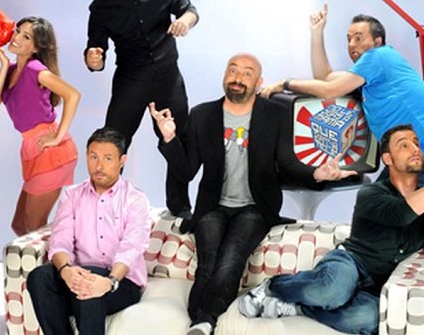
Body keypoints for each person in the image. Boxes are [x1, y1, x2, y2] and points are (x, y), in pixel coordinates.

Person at [149, 53, 356, 335]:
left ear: (259, 83)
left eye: (247, 73)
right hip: (213, 206)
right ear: (225, 76)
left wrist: (317, 174)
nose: (238, 77)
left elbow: (286, 164)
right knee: (207, 265)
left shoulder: (275, 115)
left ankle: (204, 321)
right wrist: (170, 138)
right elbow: (185, 171)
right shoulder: (202, 115)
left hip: (255, 208)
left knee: (230, 262)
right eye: (233, 70)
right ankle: (200, 323)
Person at [239, 124, 424, 334]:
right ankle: (272, 287)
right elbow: (402, 213)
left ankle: (298, 308)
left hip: (378, 284)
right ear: (387, 159)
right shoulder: (371, 193)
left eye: (416, 144)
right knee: (333, 291)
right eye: (404, 145)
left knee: (367, 318)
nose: (415, 149)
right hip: (351, 263)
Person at [259, 3, 424, 186]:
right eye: (349, 39)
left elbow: (330, 90)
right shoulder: (371, 74)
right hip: (410, 153)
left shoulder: (378, 56)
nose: (352, 44)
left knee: (390, 207)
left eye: (359, 38)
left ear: (377, 41)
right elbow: (324, 77)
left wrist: (285, 83)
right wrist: (317, 33)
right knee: (374, 204)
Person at [85, 0, 199, 217]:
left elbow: (189, 10)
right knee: (111, 142)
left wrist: (184, 21)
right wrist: (93, 59)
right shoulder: (101, 6)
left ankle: (180, 208)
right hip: (130, 81)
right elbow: (95, 50)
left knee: (176, 140)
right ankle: (104, 208)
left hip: (168, 78)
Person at [26, 127, 151, 335]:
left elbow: (132, 248)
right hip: (78, 273)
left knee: (88, 286)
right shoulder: (72, 195)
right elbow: (61, 239)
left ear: (122, 161)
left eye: (108, 159)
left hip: (121, 283)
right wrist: (66, 270)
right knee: (39, 277)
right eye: (93, 157)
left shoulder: (135, 200)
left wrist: (109, 282)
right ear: (86, 156)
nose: (99, 166)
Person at [0, 16, 81, 236]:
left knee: (34, 227)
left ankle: (59, 257)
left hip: (51, 152)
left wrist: (57, 137)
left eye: (26, 37)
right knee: (20, 225)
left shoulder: (35, 69)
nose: (17, 37)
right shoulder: (11, 70)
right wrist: (3, 65)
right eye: (18, 31)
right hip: (31, 148)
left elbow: (73, 95)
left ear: (36, 47)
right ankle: (46, 257)